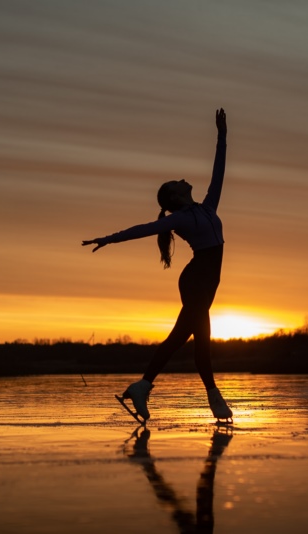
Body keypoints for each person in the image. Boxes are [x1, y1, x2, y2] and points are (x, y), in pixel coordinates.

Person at [82, 108, 233, 423]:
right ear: (176, 198)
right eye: (176, 183)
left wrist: (222, 136)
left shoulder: (207, 207)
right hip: (196, 280)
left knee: (193, 340)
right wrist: (108, 239)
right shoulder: (180, 218)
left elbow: (219, 173)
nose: (182, 179)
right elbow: (141, 230)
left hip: (204, 280)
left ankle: (153, 387)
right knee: (188, 338)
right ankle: (172, 390)